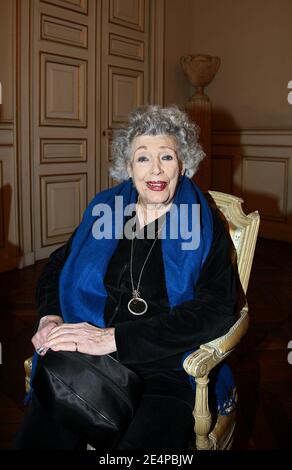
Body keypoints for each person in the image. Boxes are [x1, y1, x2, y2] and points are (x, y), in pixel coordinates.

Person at [13, 105, 244, 450]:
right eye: (142, 158)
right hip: (88, 362)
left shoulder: (204, 224)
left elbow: (217, 308)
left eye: (167, 156)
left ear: (184, 164)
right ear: (128, 166)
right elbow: (57, 268)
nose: (155, 169)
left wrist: (113, 339)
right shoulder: (105, 211)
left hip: (167, 369)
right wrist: (50, 317)